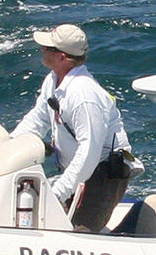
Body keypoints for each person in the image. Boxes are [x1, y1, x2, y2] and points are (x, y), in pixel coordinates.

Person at [9, 24, 142, 232]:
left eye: (47, 48)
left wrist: (59, 192)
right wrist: (10, 145)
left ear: (62, 57)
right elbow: (38, 118)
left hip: (101, 176)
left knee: (79, 234)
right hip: (77, 173)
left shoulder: (84, 96)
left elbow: (89, 154)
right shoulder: (53, 81)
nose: (42, 50)